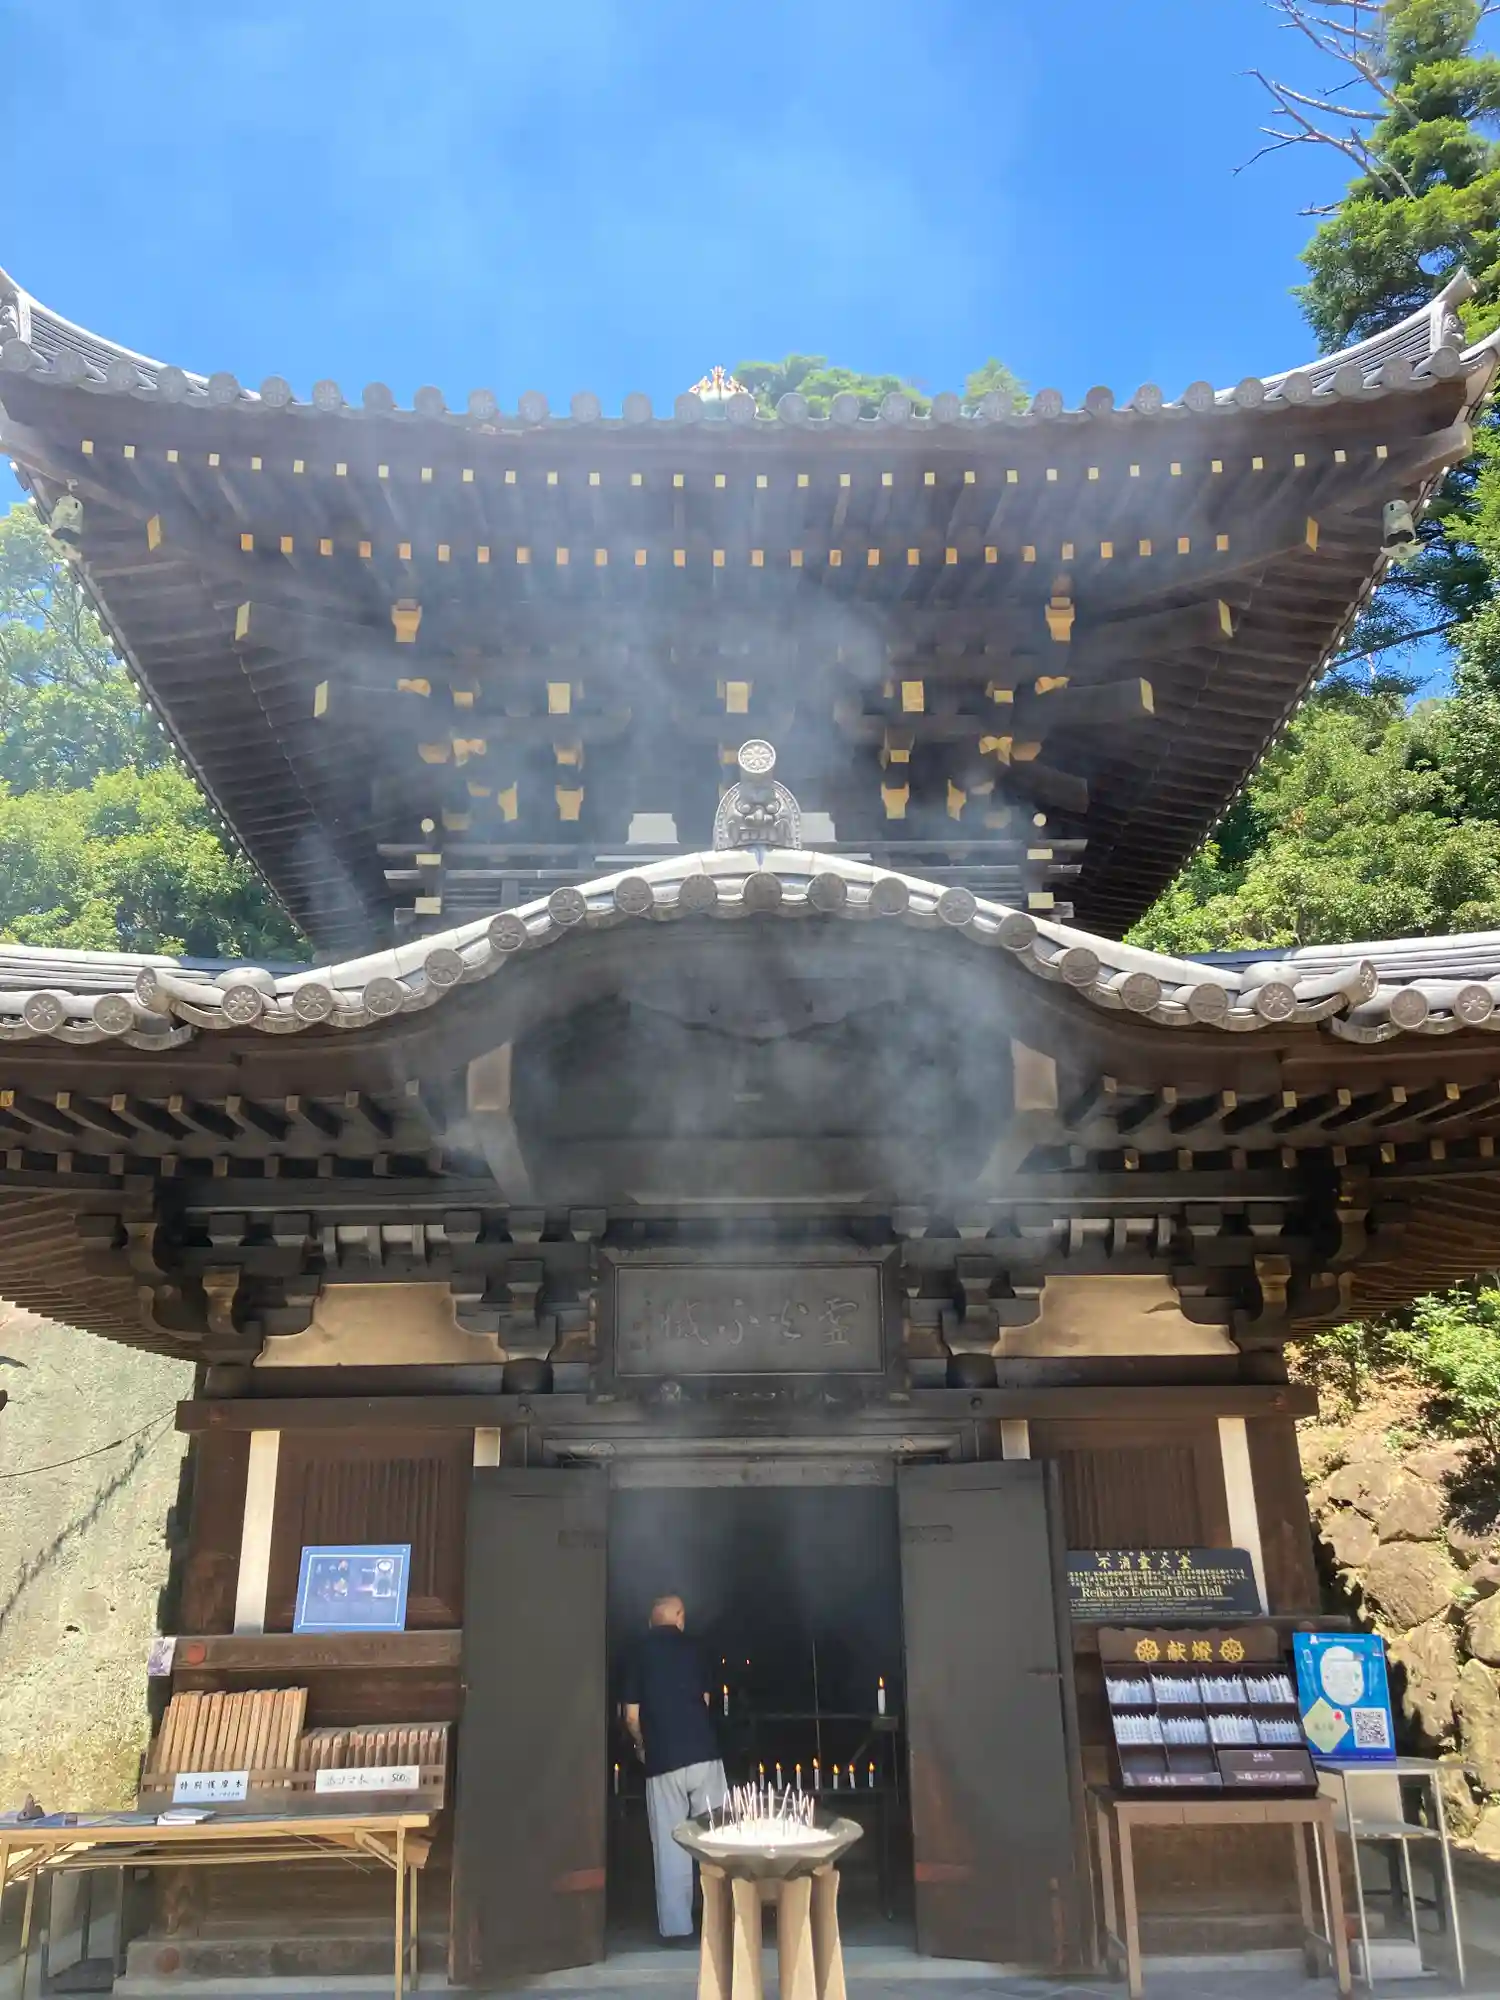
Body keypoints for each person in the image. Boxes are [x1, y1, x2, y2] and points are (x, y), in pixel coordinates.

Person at [619, 1594, 727, 1941]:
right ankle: (724, 1919)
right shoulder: (696, 1649)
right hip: (704, 1755)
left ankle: (678, 1929)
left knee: (671, 1845)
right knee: (717, 1838)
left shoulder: (638, 1652)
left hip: (663, 1760)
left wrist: (641, 1745)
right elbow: (706, 1701)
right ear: (679, 1617)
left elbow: (631, 1715)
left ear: (651, 1621)